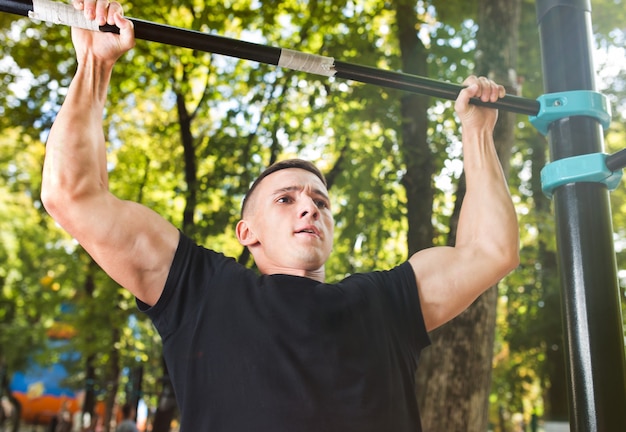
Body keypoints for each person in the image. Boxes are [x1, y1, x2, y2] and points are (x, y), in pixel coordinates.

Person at [41, 1, 519, 431]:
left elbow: (490, 251)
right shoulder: (202, 292)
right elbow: (74, 195)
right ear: (246, 232)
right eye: (286, 199)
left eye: (320, 201)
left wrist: (477, 133)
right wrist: (95, 65)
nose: (311, 205)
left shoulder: (385, 303)